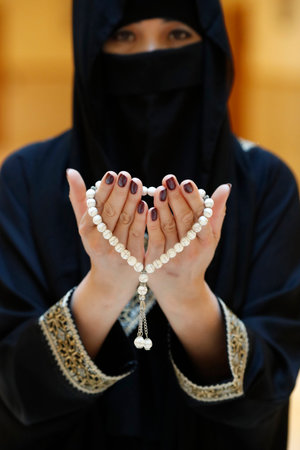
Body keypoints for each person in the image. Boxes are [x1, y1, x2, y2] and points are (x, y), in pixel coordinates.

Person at [0, 0, 299, 449]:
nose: (152, 56)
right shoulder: (26, 180)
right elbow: (12, 387)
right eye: (124, 36)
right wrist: (103, 288)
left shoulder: (263, 184)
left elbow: (269, 386)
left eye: (178, 35)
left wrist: (188, 297)